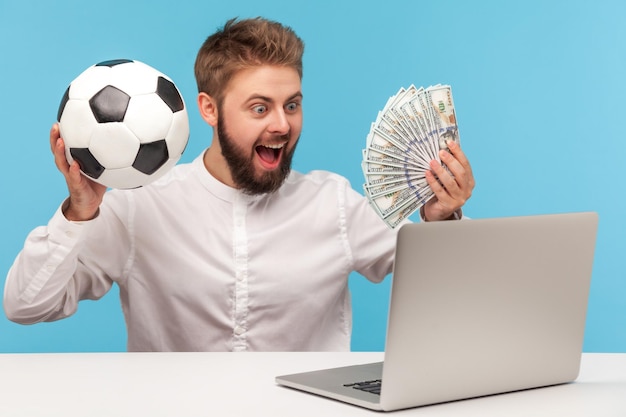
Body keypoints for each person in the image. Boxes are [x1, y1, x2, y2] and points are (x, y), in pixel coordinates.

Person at [3, 17, 474, 351]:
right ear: (209, 109)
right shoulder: (140, 207)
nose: (282, 125)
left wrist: (441, 220)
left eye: (292, 104)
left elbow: (454, 297)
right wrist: (78, 212)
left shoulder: (333, 203)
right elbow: (25, 307)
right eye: (259, 107)